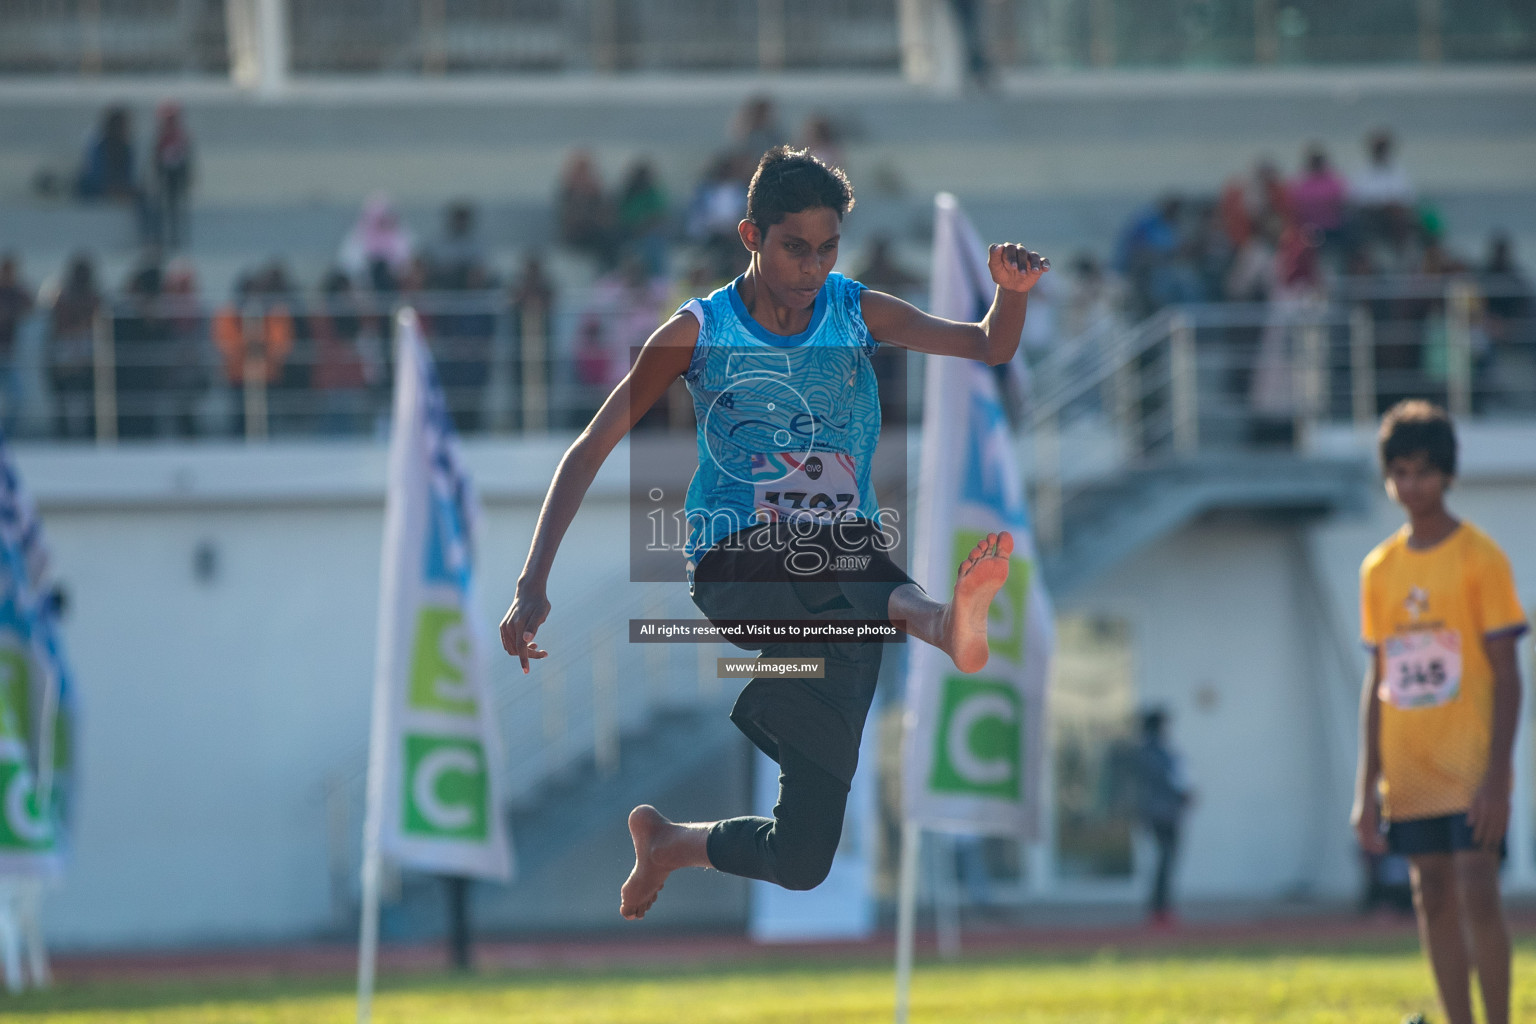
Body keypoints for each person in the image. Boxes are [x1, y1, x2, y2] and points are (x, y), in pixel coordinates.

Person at [498, 146, 1048, 920]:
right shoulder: (698, 331)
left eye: (828, 248)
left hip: (843, 597)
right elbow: (590, 447)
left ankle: (667, 843)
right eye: (796, 247)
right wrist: (531, 585)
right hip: (736, 564)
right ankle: (942, 624)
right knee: (845, 548)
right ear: (752, 235)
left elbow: (989, 343)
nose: (813, 267)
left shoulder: (856, 310)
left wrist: (1012, 292)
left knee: (803, 860)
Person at [1352, 400, 1526, 1024]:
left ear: (1447, 474)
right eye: (1398, 472)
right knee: (1430, 893)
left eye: (1422, 471)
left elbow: (1508, 674)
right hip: (1410, 765)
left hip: (1471, 759)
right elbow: (1378, 680)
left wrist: (1498, 774)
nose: (1410, 485)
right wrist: (1366, 785)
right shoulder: (1379, 569)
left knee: (1479, 887)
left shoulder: (1480, 558)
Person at [1134, 708, 1191, 927]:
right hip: (1163, 814)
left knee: (1164, 860)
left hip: (1159, 812)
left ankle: (1160, 906)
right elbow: (1171, 780)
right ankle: (1160, 909)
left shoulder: (1148, 751)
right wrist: (1183, 794)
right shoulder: (1155, 753)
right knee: (1166, 860)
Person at [151, 100, 194, 249]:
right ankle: (160, 238)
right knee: (163, 207)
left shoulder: (181, 136)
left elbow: (186, 158)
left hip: (176, 175)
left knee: (175, 208)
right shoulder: (161, 137)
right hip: (165, 176)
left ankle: (175, 239)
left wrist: (186, 176)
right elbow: (156, 158)